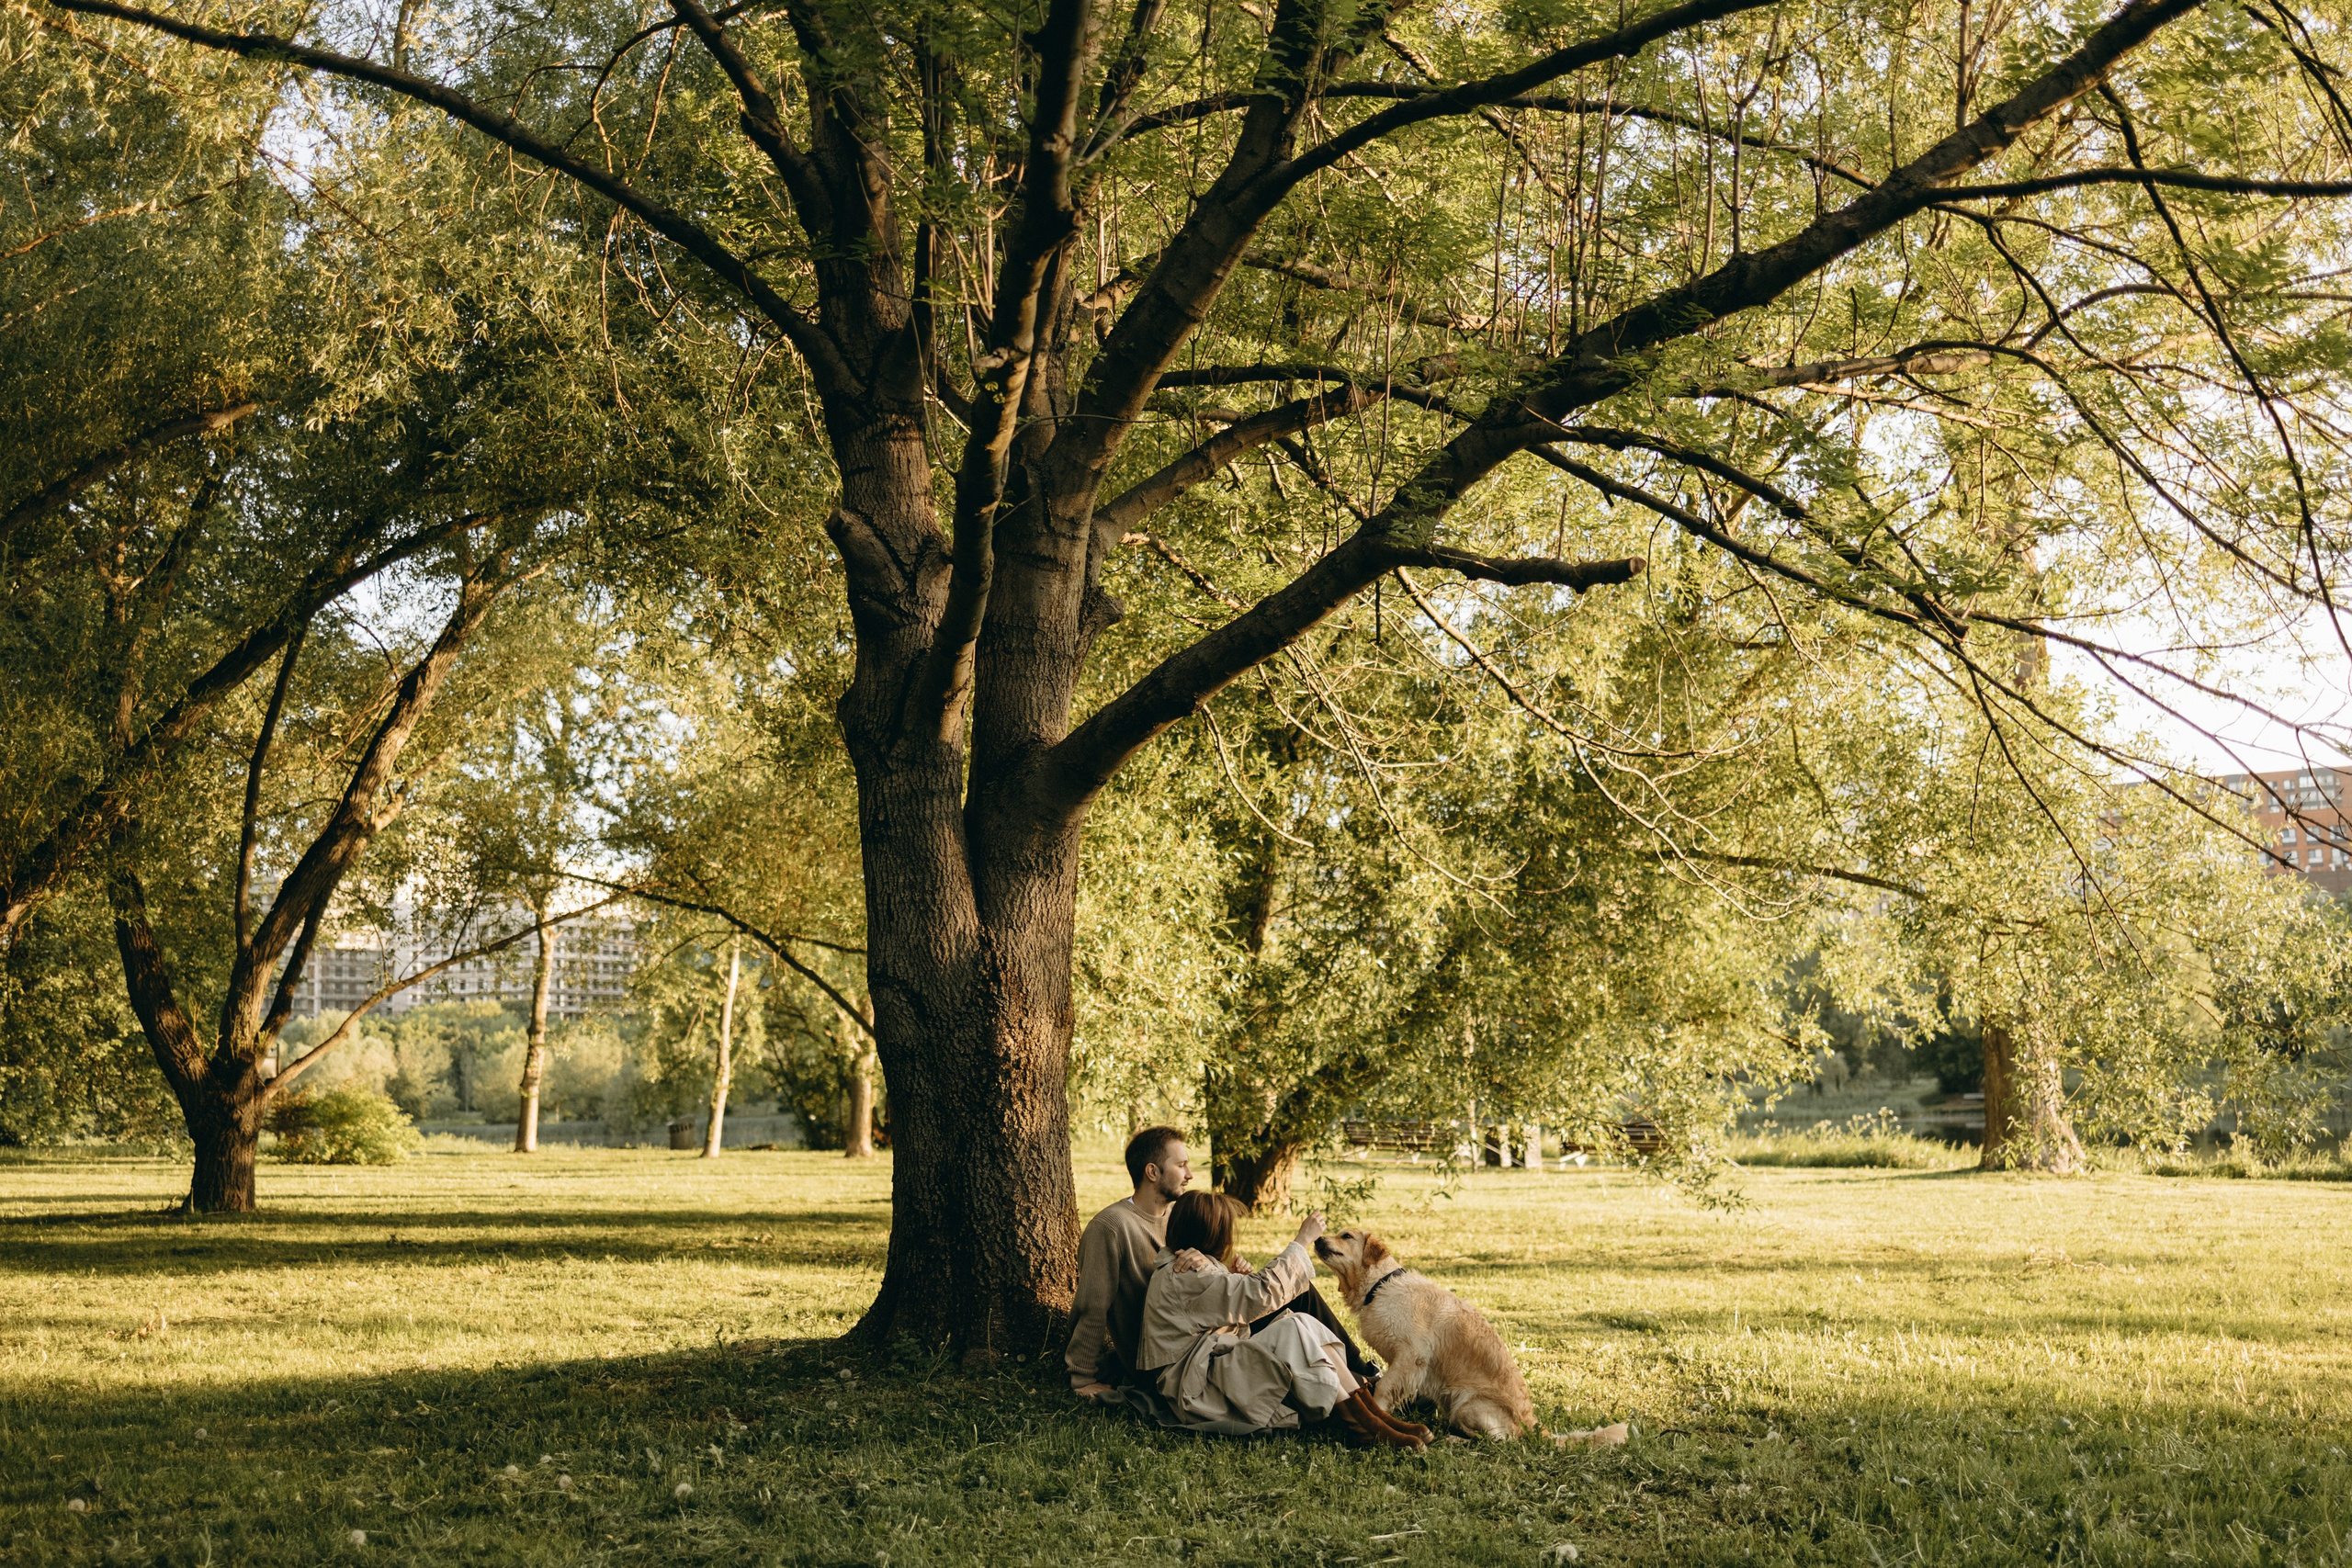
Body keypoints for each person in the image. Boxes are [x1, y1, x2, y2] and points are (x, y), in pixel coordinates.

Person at [1068, 1126, 1377, 1401]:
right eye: (1181, 1165)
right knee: (1283, 1295)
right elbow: (1092, 1305)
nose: (1189, 1174)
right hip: (1164, 1355)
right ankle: (1363, 1383)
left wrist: (1222, 1271)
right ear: (1152, 1172)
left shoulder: (1173, 1217)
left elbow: (1193, 1286)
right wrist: (1084, 1378)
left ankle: (1361, 1378)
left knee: (1298, 1294)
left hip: (1200, 1328)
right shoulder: (1111, 1227)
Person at [1136, 1192, 1428, 1447]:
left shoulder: (1187, 1266)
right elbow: (1259, 1294)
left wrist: (1231, 1275)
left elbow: (1223, 1300)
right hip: (1197, 1389)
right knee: (1291, 1329)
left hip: (1208, 1368)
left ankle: (1370, 1415)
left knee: (1301, 1321)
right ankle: (1360, 1422)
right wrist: (1301, 1241)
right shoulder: (1185, 1274)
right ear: (1211, 1235)